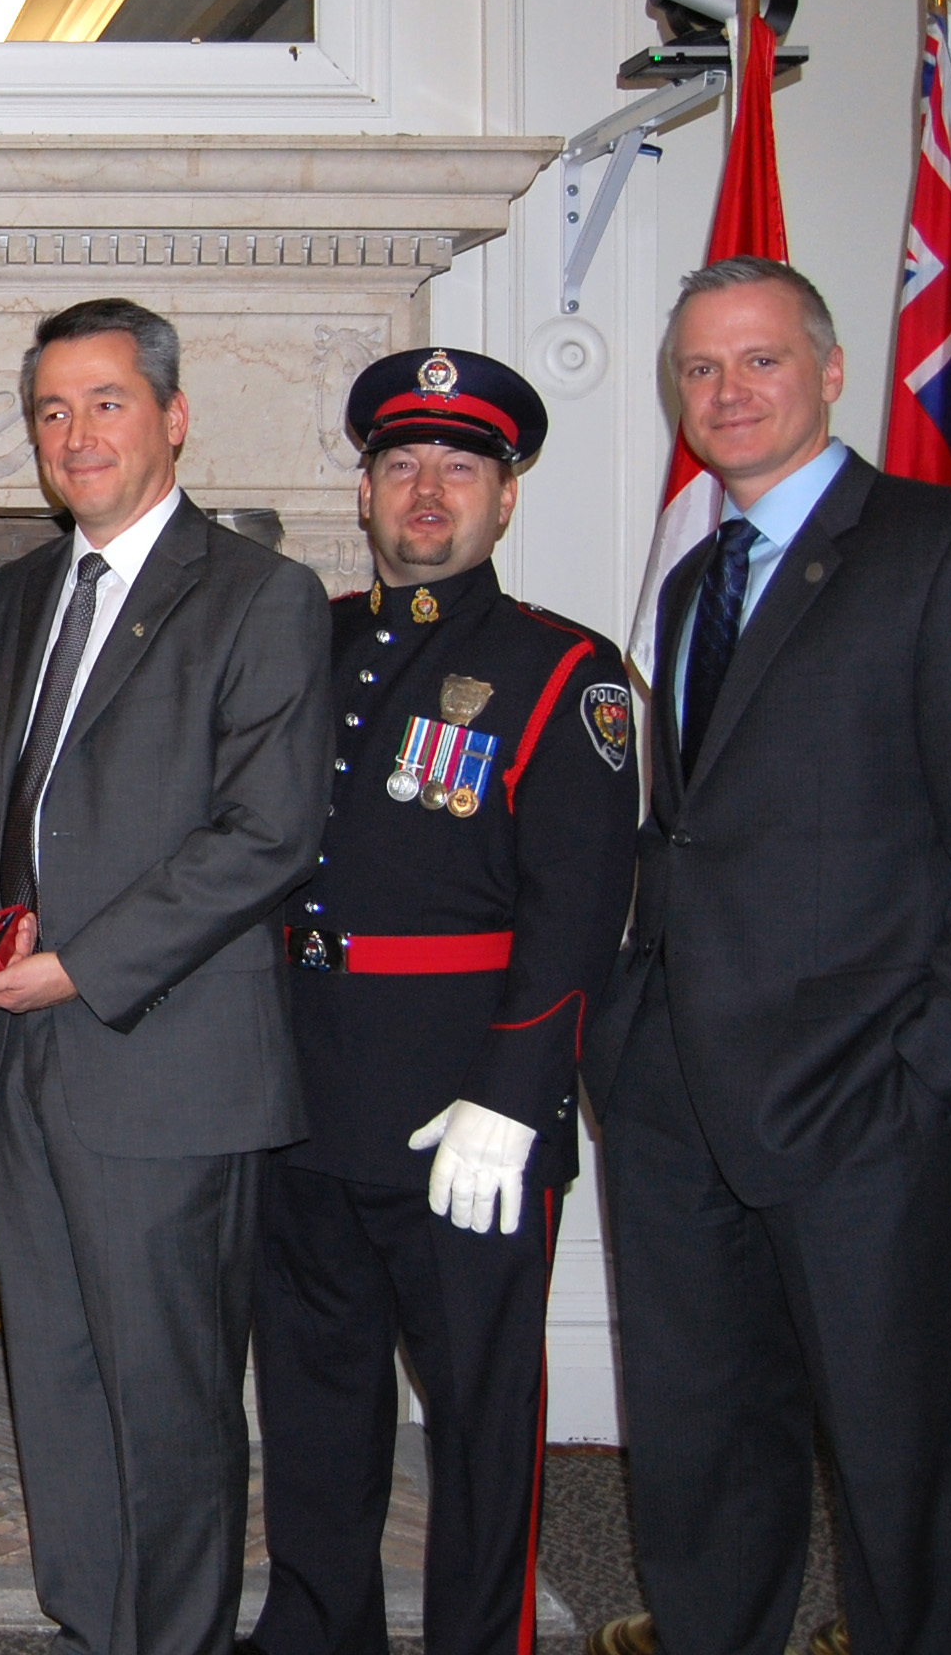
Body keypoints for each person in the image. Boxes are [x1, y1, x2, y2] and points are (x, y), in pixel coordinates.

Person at [590, 257, 951, 1655]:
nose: (728, 393)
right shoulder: (695, 579)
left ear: (828, 371)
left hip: (859, 1093)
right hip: (675, 1085)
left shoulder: (948, 553)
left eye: (757, 362)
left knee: (892, 1449)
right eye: (700, 369)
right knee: (697, 1440)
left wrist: (932, 1073)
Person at [0, 297, 329, 1655]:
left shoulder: (260, 596)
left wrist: (79, 967)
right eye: (51, 410)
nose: (75, 433)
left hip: (167, 1067)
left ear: (172, 416)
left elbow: (267, 835)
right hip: (30, 1063)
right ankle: (92, 1624)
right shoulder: (28, 589)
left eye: (105, 402)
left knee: (167, 1408)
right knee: (55, 1381)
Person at [248, 349, 636, 1655]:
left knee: (479, 1420)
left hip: (461, 1108)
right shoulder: (313, 639)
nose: (427, 491)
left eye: (459, 468)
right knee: (312, 1401)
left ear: (505, 499)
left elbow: (578, 912)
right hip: (304, 1086)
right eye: (401, 463)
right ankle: (316, 1629)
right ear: (362, 490)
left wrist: (515, 1099)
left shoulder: (564, 672)